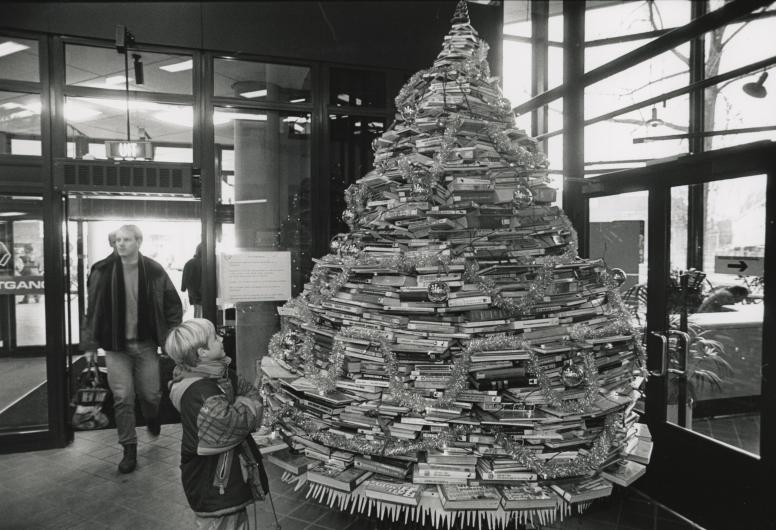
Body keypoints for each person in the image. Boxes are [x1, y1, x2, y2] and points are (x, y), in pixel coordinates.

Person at [80, 224, 183, 474]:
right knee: (122, 397)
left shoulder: (154, 270)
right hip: (116, 347)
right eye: (117, 240)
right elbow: (92, 309)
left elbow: (172, 304)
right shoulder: (102, 270)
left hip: (146, 344)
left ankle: (152, 416)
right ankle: (129, 447)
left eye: (126, 240)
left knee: (151, 395)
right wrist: (90, 344)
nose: (121, 244)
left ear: (138, 241)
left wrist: (170, 337)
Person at [165, 318, 267, 529]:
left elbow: (250, 392)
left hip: (226, 480)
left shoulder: (220, 374)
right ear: (202, 352)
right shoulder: (199, 393)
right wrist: (246, 404)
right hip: (212, 484)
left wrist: (241, 402)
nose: (221, 338)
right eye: (214, 338)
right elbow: (236, 423)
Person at [181, 243, 203, 318]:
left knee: (197, 311)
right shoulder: (208, 262)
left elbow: (185, 277)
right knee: (202, 311)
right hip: (205, 292)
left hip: (193, 292)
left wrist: (183, 288)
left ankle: (197, 326)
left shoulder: (189, 263)